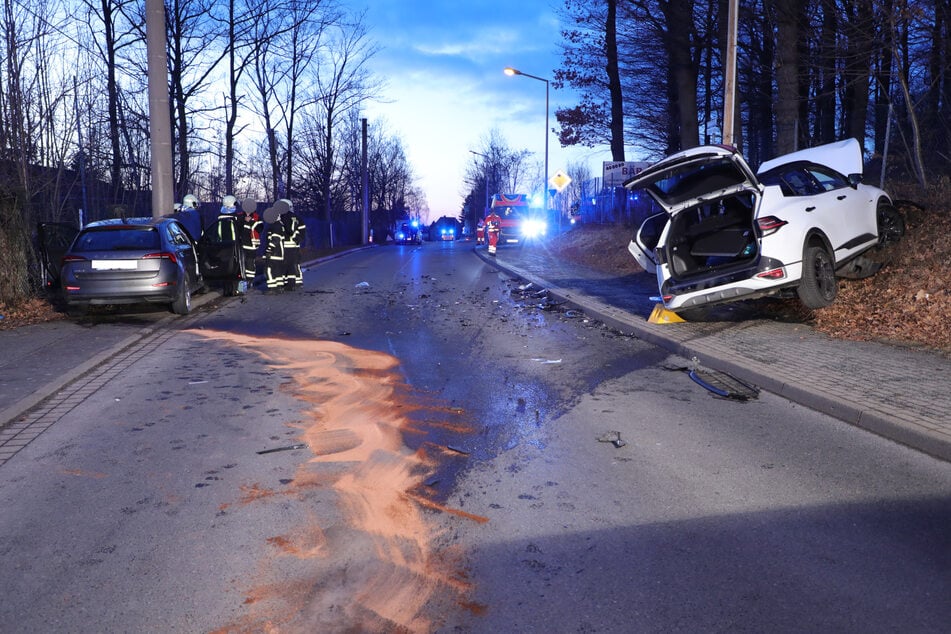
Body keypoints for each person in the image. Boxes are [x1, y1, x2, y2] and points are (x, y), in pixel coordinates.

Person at [279, 199, 305, 290]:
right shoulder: (297, 218)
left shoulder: (280, 217)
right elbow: (302, 231)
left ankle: (287, 283)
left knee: (285, 264)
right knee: (294, 264)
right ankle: (296, 282)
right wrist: (297, 239)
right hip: (294, 245)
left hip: (283, 245)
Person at [238, 199, 262, 288]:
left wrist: (251, 221)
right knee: (241, 263)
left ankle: (250, 281)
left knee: (250, 263)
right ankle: (242, 282)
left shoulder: (257, 217)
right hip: (241, 244)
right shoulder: (240, 216)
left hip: (252, 245)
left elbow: (260, 229)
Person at [263, 207, 285, 293]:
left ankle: (272, 288)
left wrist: (269, 250)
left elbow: (275, 240)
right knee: (277, 271)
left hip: (274, 253)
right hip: (279, 253)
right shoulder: (280, 225)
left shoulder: (275, 226)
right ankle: (279, 287)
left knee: (268, 270)